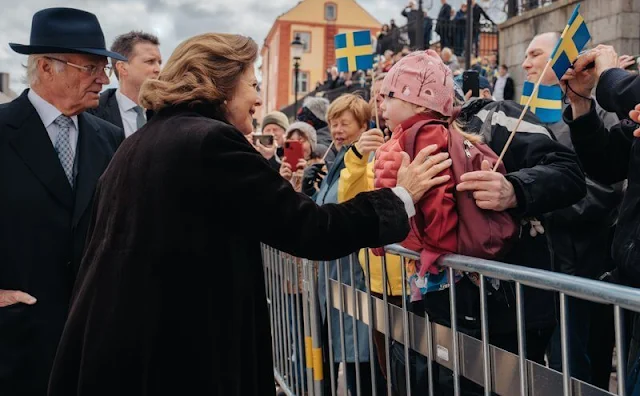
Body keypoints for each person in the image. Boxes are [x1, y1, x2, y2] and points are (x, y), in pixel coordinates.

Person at [46, 33, 452, 396]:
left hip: (121, 352)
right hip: (178, 359)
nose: (258, 98)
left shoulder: (139, 145)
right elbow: (311, 228)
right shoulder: (209, 142)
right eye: (253, 84)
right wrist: (401, 197)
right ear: (220, 85)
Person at [0, 7, 126, 396]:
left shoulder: (110, 139)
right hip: (14, 345)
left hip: (91, 343)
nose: (103, 80)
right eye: (91, 67)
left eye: (104, 68)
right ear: (47, 66)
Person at [523, 32, 623, 387]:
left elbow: (602, 189)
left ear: (562, 61)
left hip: (581, 267)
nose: (525, 64)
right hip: (537, 266)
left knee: (576, 367)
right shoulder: (525, 117)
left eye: (535, 55)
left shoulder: (603, 114)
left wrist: (533, 201)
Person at [561, 44, 640, 383]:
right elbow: (606, 162)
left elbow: (624, 90)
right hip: (631, 281)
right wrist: (581, 103)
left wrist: (608, 75)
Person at [88, 31, 161, 137]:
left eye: (159, 62)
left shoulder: (167, 113)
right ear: (122, 68)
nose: (158, 69)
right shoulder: (92, 113)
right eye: (150, 61)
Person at [279, 121, 317, 192]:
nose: (297, 146)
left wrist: (307, 180)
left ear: (311, 145)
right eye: (292, 141)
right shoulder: (281, 166)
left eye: (301, 140)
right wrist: (282, 181)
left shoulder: (320, 169)